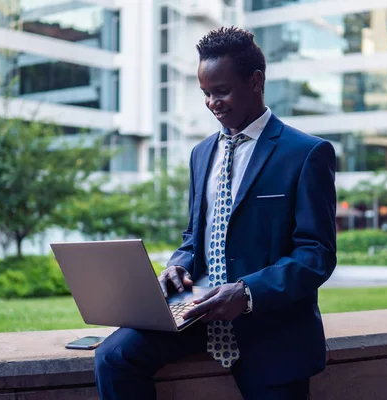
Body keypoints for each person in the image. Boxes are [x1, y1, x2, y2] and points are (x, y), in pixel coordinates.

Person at [94, 26, 337, 400]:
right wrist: (178, 266)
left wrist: (246, 292)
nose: (212, 103)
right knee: (113, 357)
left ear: (256, 82)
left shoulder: (306, 153)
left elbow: (316, 254)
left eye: (221, 91)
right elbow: (195, 237)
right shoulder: (201, 153)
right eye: (206, 93)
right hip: (196, 315)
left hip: (270, 330)